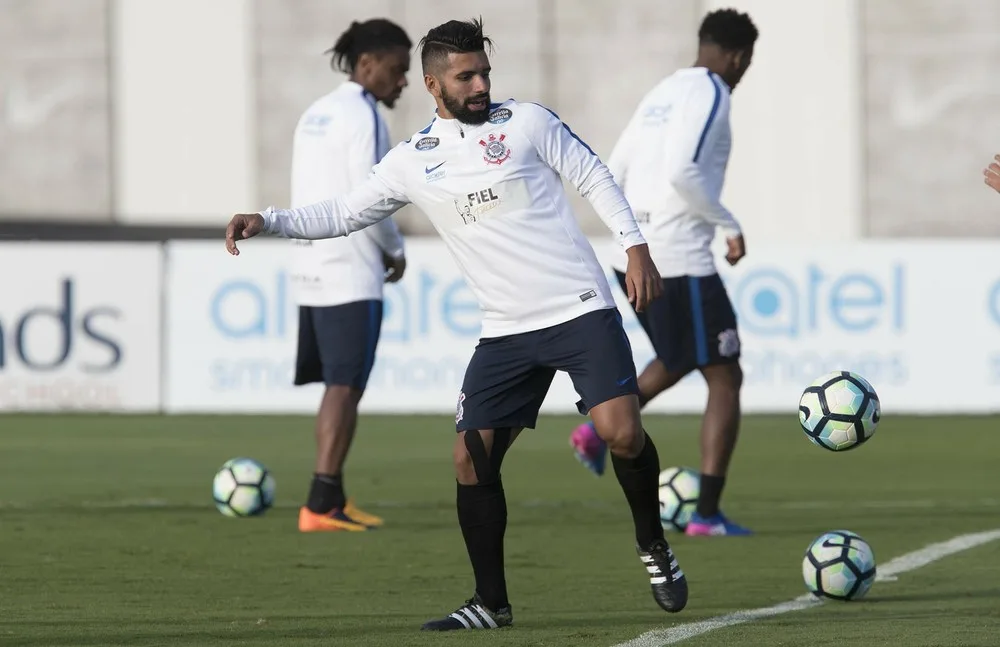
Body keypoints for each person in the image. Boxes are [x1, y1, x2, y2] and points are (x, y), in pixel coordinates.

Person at [226, 16, 688, 632]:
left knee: (622, 433)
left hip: (579, 306)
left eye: (485, 73)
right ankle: (490, 603)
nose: (480, 86)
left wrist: (634, 247)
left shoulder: (527, 123)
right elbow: (344, 211)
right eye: (465, 76)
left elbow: (593, 175)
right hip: (505, 329)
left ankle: (653, 546)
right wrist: (269, 220)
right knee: (470, 460)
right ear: (432, 85)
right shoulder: (413, 160)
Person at [569, 8, 759, 538]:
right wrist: (729, 222)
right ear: (739, 57)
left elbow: (616, 166)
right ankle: (706, 515)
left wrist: (630, 236)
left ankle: (592, 432)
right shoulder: (714, 93)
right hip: (678, 255)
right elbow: (683, 172)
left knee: (681, 355)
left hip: (636, 252)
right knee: (724, 374)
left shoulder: (662, 91)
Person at [289, 19, 412, 534]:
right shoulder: (363, 116)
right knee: (345, 385)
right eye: (398, 70)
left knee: (339, 385)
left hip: (308, 264)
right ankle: (319, 503)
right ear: (368, 64)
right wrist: (396, 250)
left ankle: (332, 497)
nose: (403, 81)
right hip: (350, 267)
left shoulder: (317, 111)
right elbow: (375, 195)